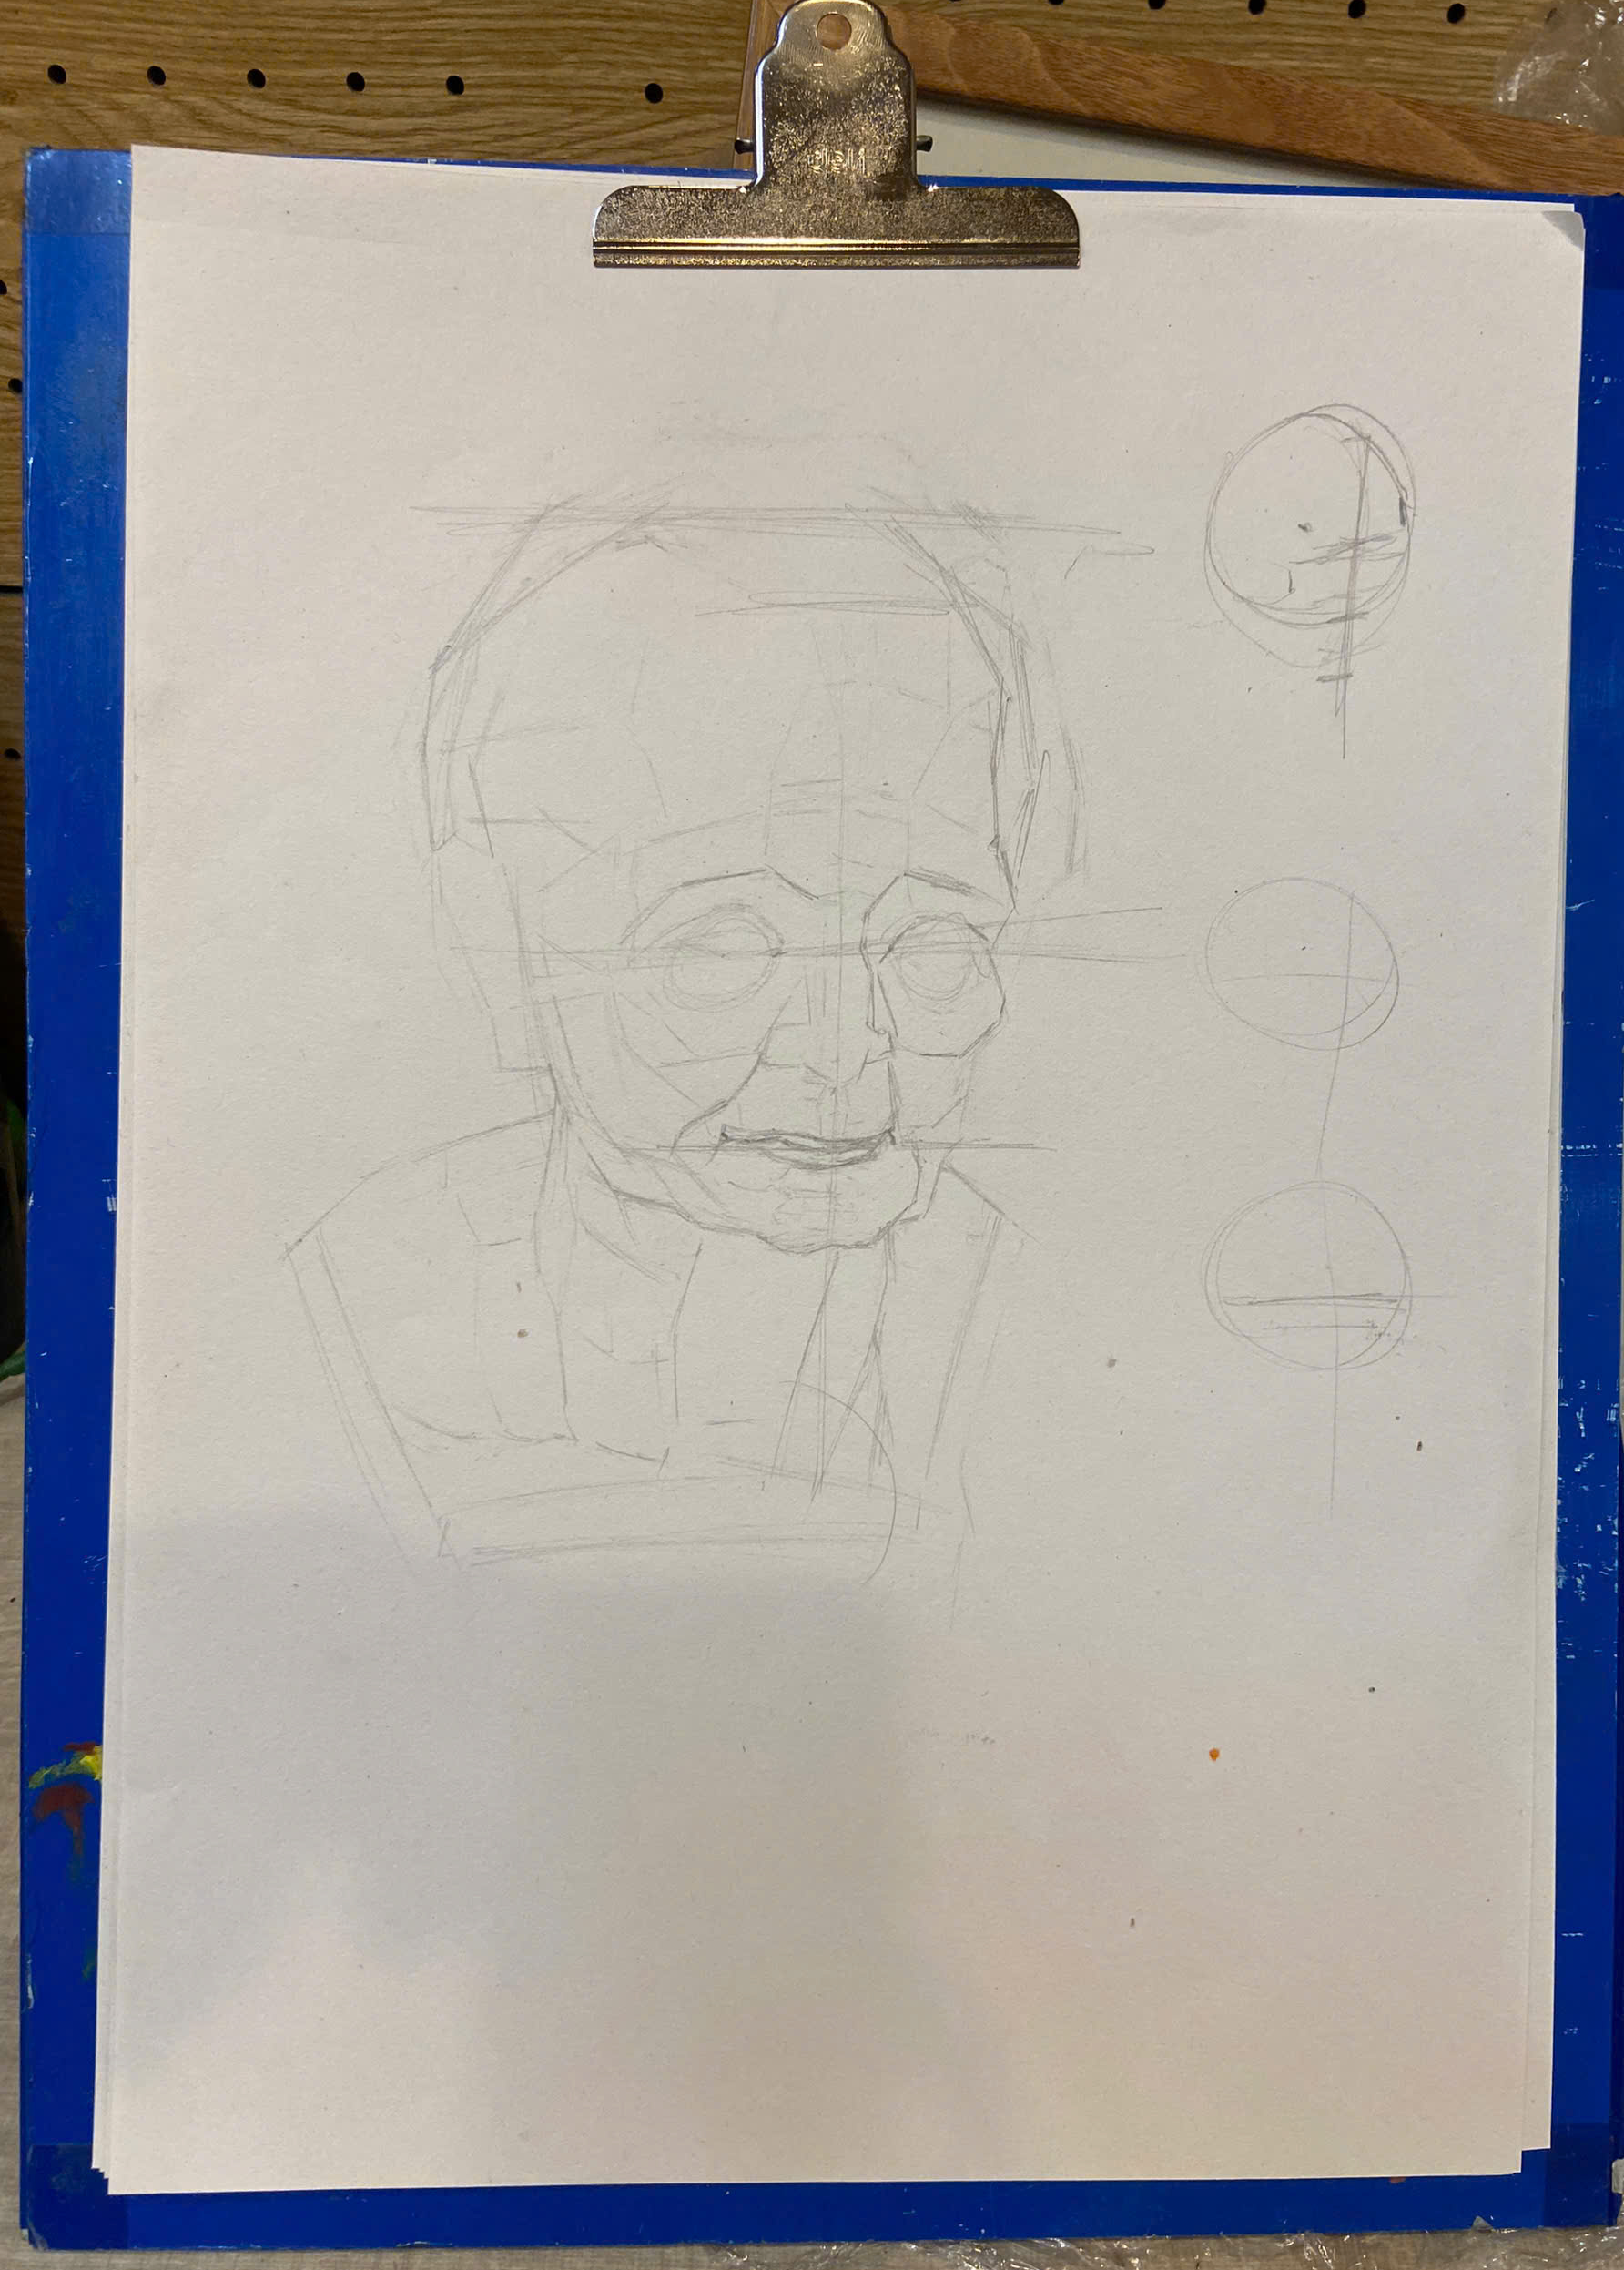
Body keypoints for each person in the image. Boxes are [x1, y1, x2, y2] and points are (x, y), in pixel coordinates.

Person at [291, 505, 1081, 1570]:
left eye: (932, 945)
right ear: (499, 938)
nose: (842, 1048)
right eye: (721, 949)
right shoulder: (346, 1310)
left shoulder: (1040, 1317)